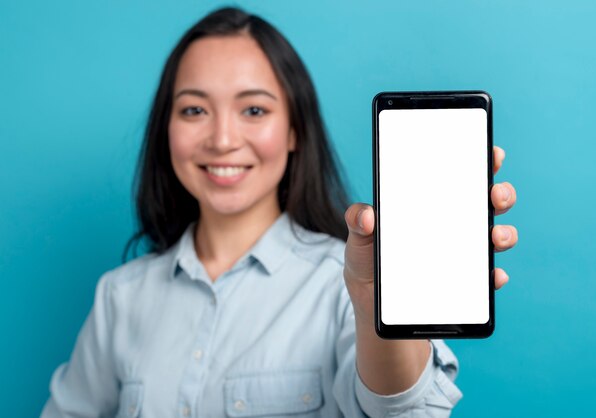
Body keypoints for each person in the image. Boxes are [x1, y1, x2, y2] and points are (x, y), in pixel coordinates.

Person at [42, 7, 518, 418]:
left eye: (253, 111)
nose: (223, 139)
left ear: (294, 130)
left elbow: (401, 411)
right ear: (165, 128)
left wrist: (376, 301)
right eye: (193, 111)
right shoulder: (120, 298)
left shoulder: (342, 282)